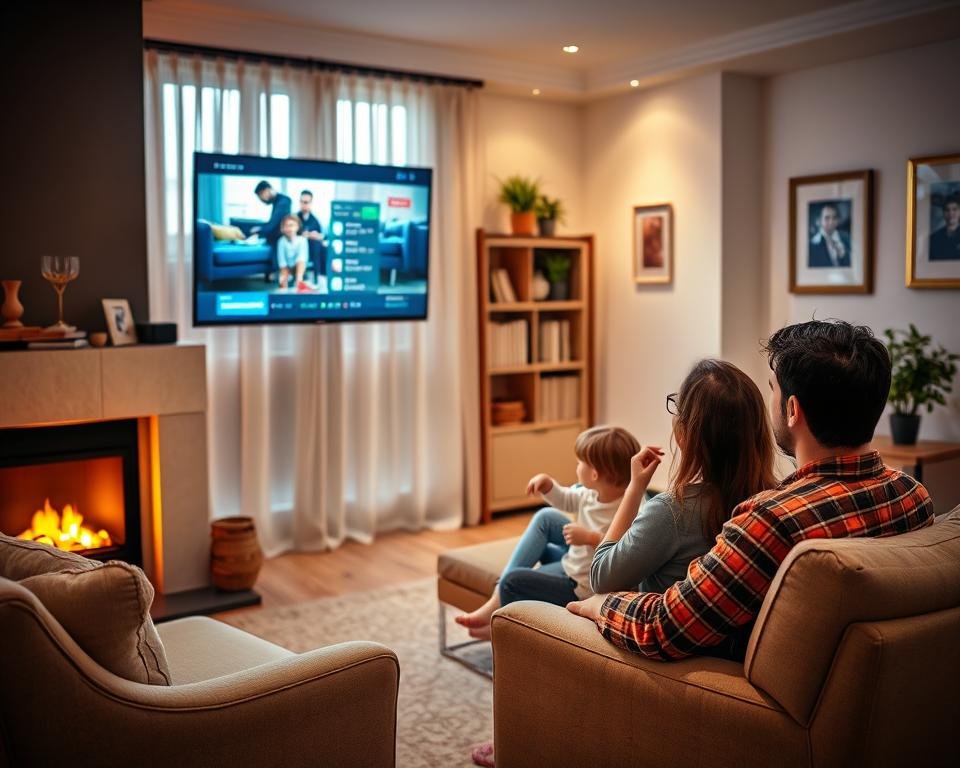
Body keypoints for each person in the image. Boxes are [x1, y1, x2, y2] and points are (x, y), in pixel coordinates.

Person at [567, 320, 935, 661]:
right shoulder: (912, 495)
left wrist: (601, 604)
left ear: (792, 410)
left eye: (772, 389)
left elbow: (664, 628)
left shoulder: (771, 520)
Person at [591, 360, 776, 601]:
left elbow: (601, 578)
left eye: (678, 406)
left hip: (647, 631)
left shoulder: (673, 512)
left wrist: (634, 489)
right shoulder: (773, 499)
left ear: (689, 434)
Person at [455, 425, 641, 641]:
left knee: (512, 583)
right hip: (574, 563)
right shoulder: (590, 493)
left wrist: (591, 538)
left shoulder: (630, 507)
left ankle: (499, 621)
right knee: (546, 517)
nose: (577, 466)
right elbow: (566, 498)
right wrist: (548, 485)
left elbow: (625, 554)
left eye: (580, 462)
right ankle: (497, 599)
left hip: (582, 587)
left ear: (594, 473)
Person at [250, 180, 291, 247]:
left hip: (280, 242)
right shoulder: (278, 202)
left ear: (266, 190)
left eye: (261, 197)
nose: (262, 201)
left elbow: (273, 224)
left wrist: (260, 230)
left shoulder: (283, 202)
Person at [808, 203, 851, 268]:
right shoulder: (812, 244)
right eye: (827, 218)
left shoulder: (846, 238)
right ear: (819, 220)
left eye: (834, 218)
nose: (831, 222)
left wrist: (844, 255)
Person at [276, 214, 308, 291]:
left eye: (292, 225)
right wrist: (284, 277)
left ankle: (299, 282)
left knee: (301, 262)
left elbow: (302, 258)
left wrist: (299, 277)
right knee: (282, 281)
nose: (289, 228)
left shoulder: (302, 240)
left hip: (299, 268)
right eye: (286, 226)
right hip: (287, 268)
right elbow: (282, 261)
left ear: (297, 227)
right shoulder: (281, 241)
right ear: (282, 228)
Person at [929, 194, 960, 261]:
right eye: (947, 210)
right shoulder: (934, 238)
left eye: (954, 209)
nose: (950, 213)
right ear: (943, 213)